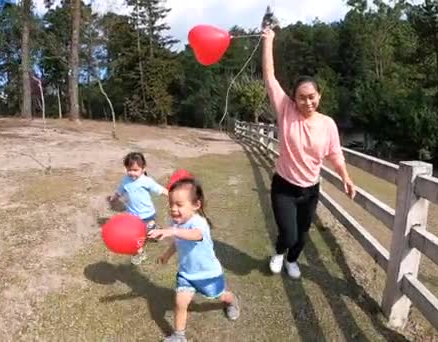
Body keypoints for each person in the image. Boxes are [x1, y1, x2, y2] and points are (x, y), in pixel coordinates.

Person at [261, 27, 356, 280]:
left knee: (302, 235)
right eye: (301, 98)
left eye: (312, 97)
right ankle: (280, 253)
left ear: (319, 96)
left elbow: (335, 153)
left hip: (310, 189)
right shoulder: (285, 111)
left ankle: (292, 260)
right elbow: (270, 76)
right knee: (289, 234)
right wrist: (269, 41)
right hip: (284, 186)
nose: (307, 102)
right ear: (293, 99)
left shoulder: (327, 124)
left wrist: (345, 177)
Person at [148, 177, 240, 342]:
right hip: (187, 274)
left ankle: (232, 301)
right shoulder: (175, 223)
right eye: (171, 204)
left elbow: (195, 235)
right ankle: (179, 336)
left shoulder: (199, 223)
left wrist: (172, 231)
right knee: (180, 302)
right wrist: (166, 255)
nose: (173, 209)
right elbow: (178, 242)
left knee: (222, 296)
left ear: (196, 205)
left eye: (179, 205)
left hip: (208, 274)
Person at [107, 152, 168, 265]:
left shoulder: (146, 181)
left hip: (147, 214)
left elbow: (160, 189)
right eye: (129, 170)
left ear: (143, 168)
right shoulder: (126, 180)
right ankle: (140, 253)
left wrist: (172, 195)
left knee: (148, 232)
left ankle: (155, 230)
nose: (132, 173)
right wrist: (114, 197)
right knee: (135, 237)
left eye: (135, 170)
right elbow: (121, 190)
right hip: (133, 216)